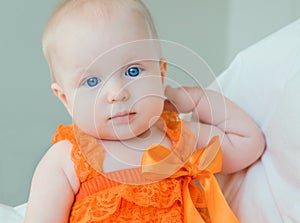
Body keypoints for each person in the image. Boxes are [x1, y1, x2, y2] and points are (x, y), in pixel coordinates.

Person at [24, 0, 265, 222]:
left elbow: (248, 142)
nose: (117, 93)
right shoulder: (66, 159)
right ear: (66, 99)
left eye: (133, 71)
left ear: (161, 75)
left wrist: (188, 98)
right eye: (91, 81)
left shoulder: (179, 138)